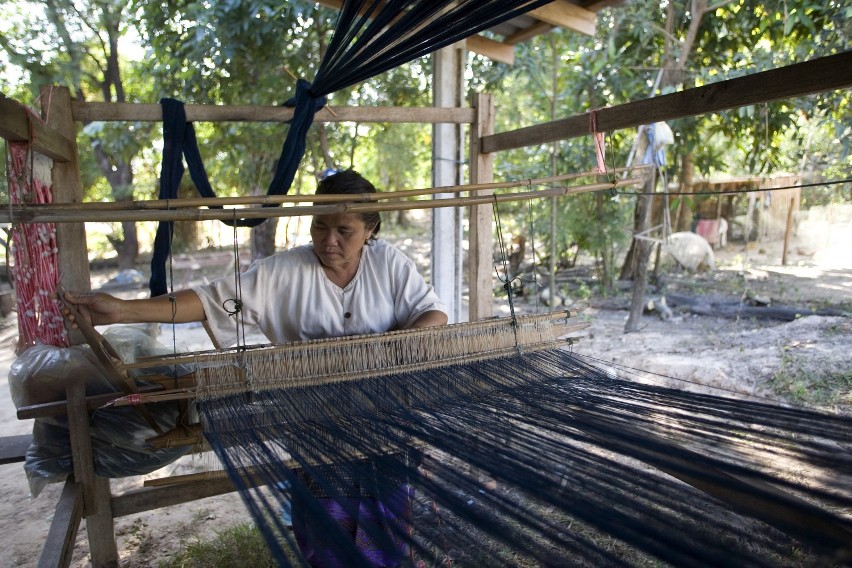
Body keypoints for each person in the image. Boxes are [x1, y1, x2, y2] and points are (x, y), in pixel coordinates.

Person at [64, 169, 448, 567]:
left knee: (386, 524)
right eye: (319, 226)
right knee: (328, 526)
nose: (328, 241)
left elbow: (432, 312)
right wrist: (122, 309)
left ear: (370, 230)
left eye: (344, 231)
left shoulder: (388, 264)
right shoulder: (282, 272)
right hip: (316, 421)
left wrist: (391, 350)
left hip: (384, 414)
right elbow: (210, 300)